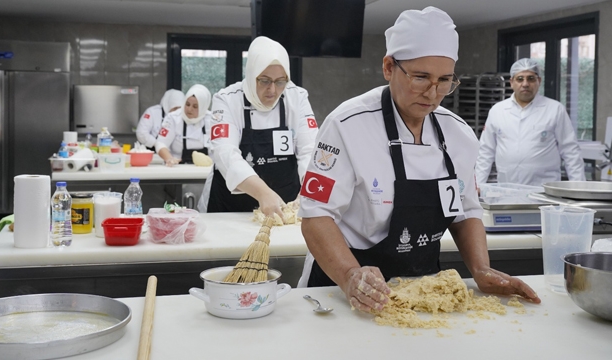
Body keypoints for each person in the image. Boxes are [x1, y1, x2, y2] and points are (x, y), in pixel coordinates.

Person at [296, 7, 541, 314]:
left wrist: (480, 268)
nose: (433, 93)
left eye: (444, 80)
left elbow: (465, 211)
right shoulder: (347, 125)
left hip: (420, 290)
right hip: (341, 286)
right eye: (420, 77)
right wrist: (349, 275)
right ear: (388, 67)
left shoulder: (459, 134)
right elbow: (315, 215)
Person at [197, 36, 319, 217]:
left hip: (284, 207)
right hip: (230, 208)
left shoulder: (297, 98)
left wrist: (310, 191)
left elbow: (310, 151)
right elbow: (225, 154)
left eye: (280, 81)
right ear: (251, 74)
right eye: (264, 80)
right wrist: (263, 192)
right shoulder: (228, 99)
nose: (272, 90)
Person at [475, 58, 586, 186]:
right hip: (506, 189)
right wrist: (476, 185)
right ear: (511, 82)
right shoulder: (497, 111)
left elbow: (570, 151)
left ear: (539, 81)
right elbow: (485, 151)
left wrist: (579, 188)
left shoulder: (555, 109)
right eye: (520, 79)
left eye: (531, 78)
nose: (525, 84)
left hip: (544, 190)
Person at [155, 84, 213, 166]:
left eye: (195, 106)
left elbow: (222, 147)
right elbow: (160, 143)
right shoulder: (173, 118)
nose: (189, 109)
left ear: (204, 107)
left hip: (207, 171)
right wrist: (169, 158)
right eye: (187, 104)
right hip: (178, 169)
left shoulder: (212, 120)